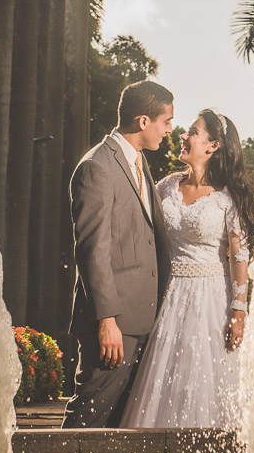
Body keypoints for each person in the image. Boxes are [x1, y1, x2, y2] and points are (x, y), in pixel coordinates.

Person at [120, 109, 254, 429]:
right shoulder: (165, 187)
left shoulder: (228, 197)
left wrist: (239, 312)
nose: (182, 136)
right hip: (167, 296)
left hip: (213, 299)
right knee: (163, 374)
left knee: (204, 376)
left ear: (212, 146)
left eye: (192, 132)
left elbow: (239, 257)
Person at [62, 80, 174, 428]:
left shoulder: (138, 162)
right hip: (113, 325)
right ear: (144, 121)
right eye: (166, 121)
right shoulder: (97, 167)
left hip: (142, 320)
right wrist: (107, 321)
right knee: (89, 418)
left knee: (118, 425)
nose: (170, 130)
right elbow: (93, 251)